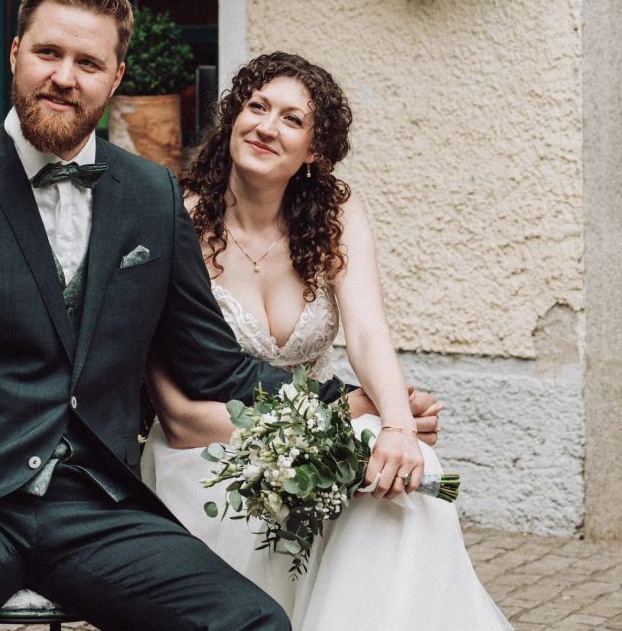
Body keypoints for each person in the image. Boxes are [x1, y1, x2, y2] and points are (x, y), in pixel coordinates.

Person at [0, 0, 438, 631]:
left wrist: (349, 401)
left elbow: (217, 369)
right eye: (48, 53)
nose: (64, 77)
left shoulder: (151, 196)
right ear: (15, 53)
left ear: (116, 78)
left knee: (253, 621)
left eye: (88, 63)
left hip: (96, 505)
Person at [142, 51, 511, 629]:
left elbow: (367, 331)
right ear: (233, 117)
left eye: (291, 119)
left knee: (403, 483)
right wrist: (358, 408)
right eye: (256, 106)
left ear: (314, 150)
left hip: (313, 434)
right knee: (363, 487)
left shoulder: (333, 212)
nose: (266, 127)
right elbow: (184, 421)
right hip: (209, 463)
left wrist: (398, 427)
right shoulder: (176, 221)